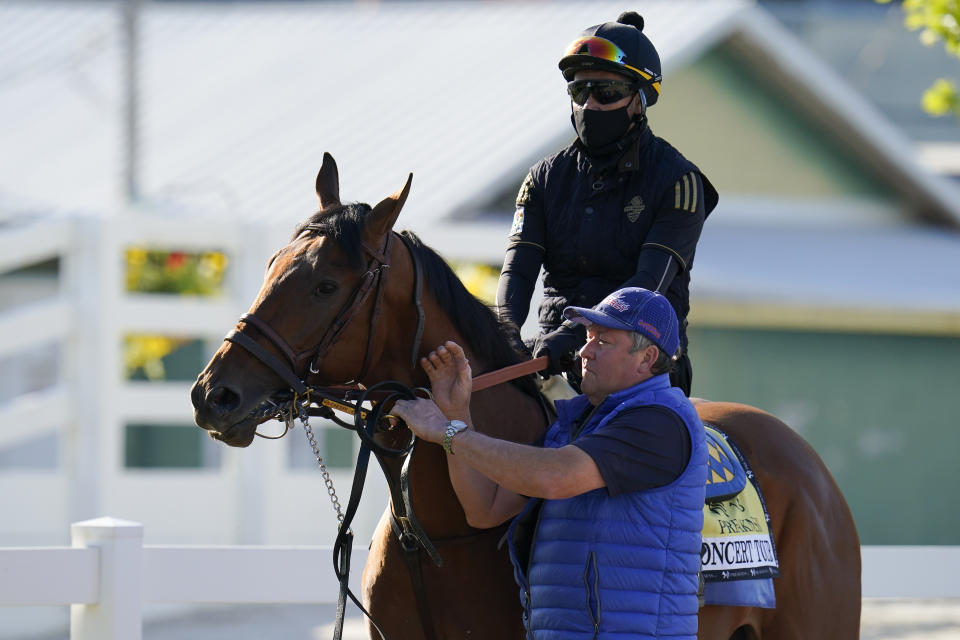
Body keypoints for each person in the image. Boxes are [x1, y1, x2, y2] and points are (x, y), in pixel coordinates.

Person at [392, 287, 707, 639]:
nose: (585, 351)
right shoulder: (576, 424)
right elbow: (484, 508)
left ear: (647, 358)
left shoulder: (659, 419)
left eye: (603, 341)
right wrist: (457, 416)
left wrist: (445, 431)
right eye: (588, 337)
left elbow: (555, 477)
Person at [496, 11, 719, 396]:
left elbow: (647, 287)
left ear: (640, 100)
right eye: (580, 92)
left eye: (607, 93)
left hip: (643, 370)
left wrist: (573, 332)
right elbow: (517, 273)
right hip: (552, 362)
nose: (591, 105)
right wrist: (505, 337)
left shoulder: (679, 181)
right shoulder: (542, 179)